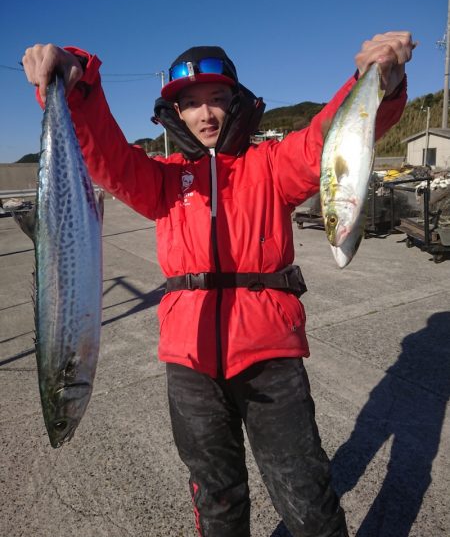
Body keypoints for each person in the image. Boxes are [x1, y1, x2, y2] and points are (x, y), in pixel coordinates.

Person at [22, 32, 414, 537]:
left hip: (270, 358)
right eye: (191, 103)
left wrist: (375, 82)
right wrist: (76, 83)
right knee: (216, 497)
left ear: (238, 103)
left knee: (306, 493)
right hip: (189, 365)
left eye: (217, 99)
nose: (205, 114)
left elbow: (331, 138)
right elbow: (106, 157)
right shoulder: (160, 180)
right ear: (175, 114)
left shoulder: (271, 166)